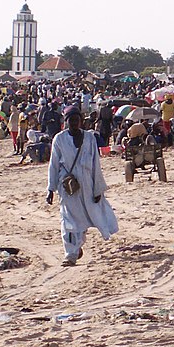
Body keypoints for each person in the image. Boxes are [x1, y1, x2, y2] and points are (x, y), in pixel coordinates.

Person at [46, 106, 118, 266]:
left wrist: (97, 187)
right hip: (67, 185)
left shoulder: (90, 138)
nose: (73, 123)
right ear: (66, 122)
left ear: (81, 121)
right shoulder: (59, 139)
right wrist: (50, 189)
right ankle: (70, 254)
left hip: (87, 183)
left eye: (76, 120)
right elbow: (54, 164)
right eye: (70, 120)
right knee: (68, 219)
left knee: (87, 216)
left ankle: (78, 244)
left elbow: (95, 164)